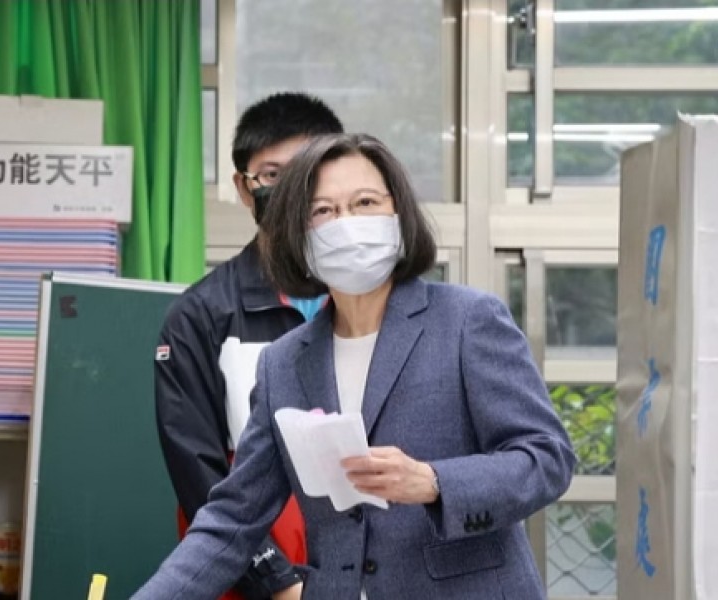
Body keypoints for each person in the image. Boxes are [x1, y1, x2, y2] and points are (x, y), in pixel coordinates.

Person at [137, 133, 576, 599]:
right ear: (297, 235)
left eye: (365, 202)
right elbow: (233, 519)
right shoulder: (283, 364)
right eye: (322, 211)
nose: (344, 223)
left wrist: (433, 482)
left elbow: (547, 459)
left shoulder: (468, 321)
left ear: (398, 214)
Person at [154, 92, 343, 600]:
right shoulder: (201, 316)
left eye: (306, 171)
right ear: (243, 186)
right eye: (271, 174)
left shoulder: (371, 298)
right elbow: (199, 474)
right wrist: (277, 583)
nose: (290, 191)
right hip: (251, 579)